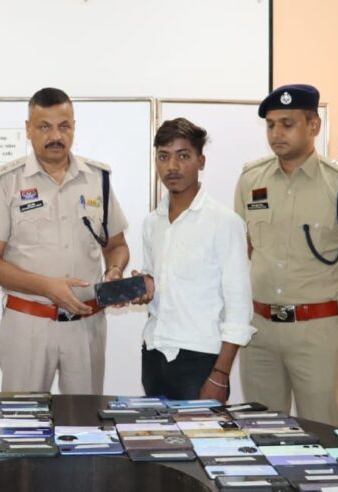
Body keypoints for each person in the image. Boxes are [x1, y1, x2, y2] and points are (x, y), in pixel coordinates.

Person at [234, 84, 338, 426]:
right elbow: (245, 247)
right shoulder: (251, 179)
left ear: (313, 125)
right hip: (260, 329)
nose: (276, 134)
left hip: (316, 330)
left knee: (319, 428)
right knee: (262, 430)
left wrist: (326, 302)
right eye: (270, 125)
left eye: (287, 124)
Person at [0, 87, 130, 394]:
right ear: (28, 130)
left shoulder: (97, 178)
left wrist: (114, 271)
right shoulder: (7, 181)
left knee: (85, 418)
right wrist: (47, 287)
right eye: (44, 127)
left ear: (73, 127)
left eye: (64, 126)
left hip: (86, 324)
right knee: (21, 417)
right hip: (28, 324)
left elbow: (116, 246)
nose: (55, 136)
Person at [132, 118, 254, 402]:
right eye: (163, 156)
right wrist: (145, 285)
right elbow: (156, 278)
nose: (172, 166)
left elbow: (239, 308)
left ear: (201, 161)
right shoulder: (152, 222)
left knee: (202, 433)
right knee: (155, 432)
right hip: (154, 353)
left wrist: (220, 374)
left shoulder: (224, 222)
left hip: (200, 360)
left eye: (183, 156)